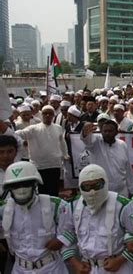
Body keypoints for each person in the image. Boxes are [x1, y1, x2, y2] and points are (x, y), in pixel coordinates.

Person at [0, 161, 74, 273]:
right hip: (20, 269)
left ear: (35, 184)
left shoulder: (55, 205)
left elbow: (72, 227)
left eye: (25, 184)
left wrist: (61, 240)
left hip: (51, 268)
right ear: (9, 188)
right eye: (16, 185)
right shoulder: (4, 210)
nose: (21, 189)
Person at [67, 164, 133, 274]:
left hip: (118, 267)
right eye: (87, 187)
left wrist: (120, 259)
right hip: (88, 268)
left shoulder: (122, 205)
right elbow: (65, 237)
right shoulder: (73, 206)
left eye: (97, 185)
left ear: (106, 183)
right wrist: (75, 263)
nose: (92, 192)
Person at [15, 105, 69, 196]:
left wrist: (65, 154)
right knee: (41, 193)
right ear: (42, 114)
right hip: (39, 166)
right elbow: (17, 134)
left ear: (53, 115)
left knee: (54, 191)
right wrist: (22, 142)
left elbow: (62, 142)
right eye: (45, 113)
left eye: (50, 113)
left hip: (54, 164)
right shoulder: (33, 128)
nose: (47, 115)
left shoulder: (58, 128)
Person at [81, 120, 133, 197]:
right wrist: (85, 130)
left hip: (121, 193)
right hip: (101, 193)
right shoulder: (96, 143)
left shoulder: (122, 145)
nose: (107, 133)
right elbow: (87, 140)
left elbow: (128, 170)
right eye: (105, 131)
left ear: (116, 132)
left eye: (110, 131)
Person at [0, 135, 18, 273]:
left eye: (10, 151)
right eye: (1, 152)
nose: (5, 156)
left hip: (18, 232)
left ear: (16, 152)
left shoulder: (25, 171)